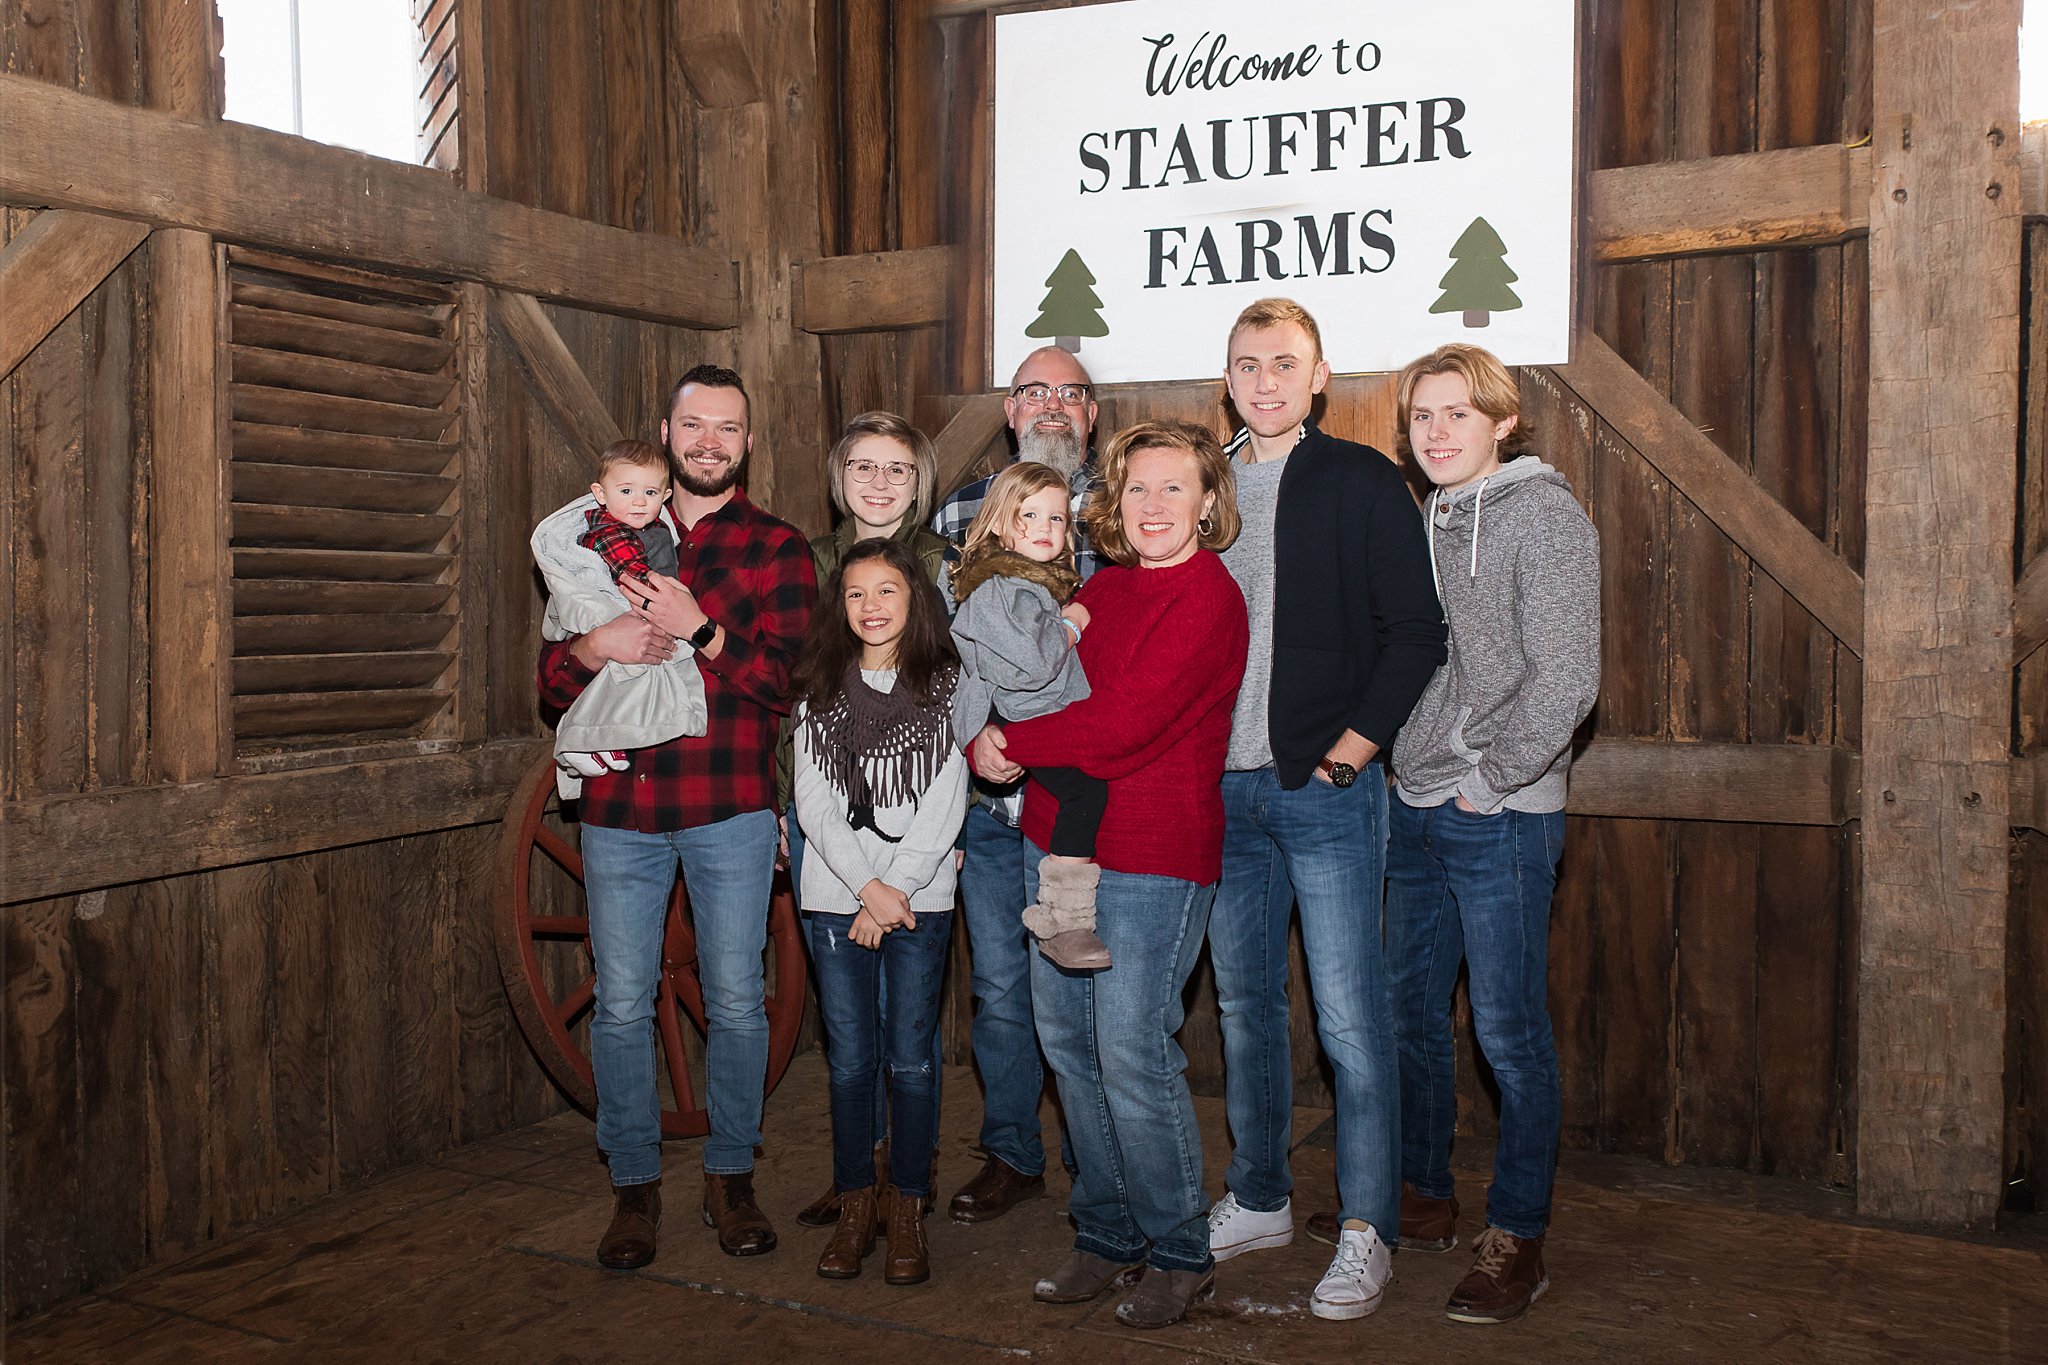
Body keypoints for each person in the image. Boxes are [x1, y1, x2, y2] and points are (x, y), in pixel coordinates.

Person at [537, 364, 816, 1269]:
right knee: (620, 1004)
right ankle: (633, 1187)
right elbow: (550, 684)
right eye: (693, 425)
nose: (707, 442)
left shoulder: (775, 548)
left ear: (745, 441)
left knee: (736, 999)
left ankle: (731, 1176)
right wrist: (592, 644)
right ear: (667, 432)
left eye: (725, 428)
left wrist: (704, 631)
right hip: (620, 808)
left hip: (727, 805)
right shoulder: (595, 538)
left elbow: (791, 685)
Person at [973, 421, 1248, 1330]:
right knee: (1068, 1045)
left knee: (1132, 1052)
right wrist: (984, 730)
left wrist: (1010, 742)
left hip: (1154, 855)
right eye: (1137, 489)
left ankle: (1179, 1251)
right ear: (1114, 502)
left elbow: (1124, 724)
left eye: (1175, 488)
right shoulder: (1101, 585)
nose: (1154, 505)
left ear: (1209, 502)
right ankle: (1106, 1230)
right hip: (1054, 841)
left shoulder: (1210, 598)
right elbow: (1029, 675)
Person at [1204, 299, 1447, 1321]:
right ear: (1227, 380)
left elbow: (1415, 632)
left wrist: (1351, 753)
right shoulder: (1197, 486)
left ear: (1317, 379)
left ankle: (1363, 1230)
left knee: (1351, 1022)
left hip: (1321, 788)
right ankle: (1259, 1195)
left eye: (1284, 364)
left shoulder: (1357, 480)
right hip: (1216, 792)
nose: (1264, 381)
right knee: (1241, 1008)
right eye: (1246, 364)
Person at [1383, 343, 1599, 1324]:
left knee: (1507, 1037)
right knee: (1409, 1019)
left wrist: (1489, 781)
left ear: (1501, 421)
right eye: (1421, 416)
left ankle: (1517, 1236)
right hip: (1416, 802)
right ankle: (1423, 1199)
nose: (1434, 432)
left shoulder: (1543, 516)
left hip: (1498, 816)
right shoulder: (1433, 512)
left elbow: (1564, 677)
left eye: (1455, 415)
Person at [931, 346, 1101, 1223]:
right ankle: (1011, 1150)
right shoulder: (964, 512)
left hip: (1081, 788)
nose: (1055, 406)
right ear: (1009, 408)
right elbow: (950, 655)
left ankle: (1096, 1159)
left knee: (1081, 980)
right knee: (999, 984)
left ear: (1092, 415)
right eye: (1037, 390)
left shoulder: (1123, 512)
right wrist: (974, 739)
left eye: (1073, 394)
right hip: (995, 806)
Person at [791, 539, 970, 1286]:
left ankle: (907, 1205)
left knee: (912, 1057)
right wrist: (869, 889)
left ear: (915, 600)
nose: (870, 606)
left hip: (919, 899)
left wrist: (893, 888)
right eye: (856, 593)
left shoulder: (948, 685)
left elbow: (946, 801)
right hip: (838, 899)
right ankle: (856, 1202)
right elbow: (814, 806)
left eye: (887, 591)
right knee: (852, 1059)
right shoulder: (817, 688)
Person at [949, 462, 1103, 970]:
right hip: (1022, 719)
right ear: (998, 524)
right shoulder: (1001, 586)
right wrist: (1071, 626)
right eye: (1029, 515)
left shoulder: (1033, 581)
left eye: (1057, 519)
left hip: (1030, 717)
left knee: (1083, 793)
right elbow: (1033, 663)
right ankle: (1065, 917)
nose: (1044, 528)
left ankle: (1065, 914)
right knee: (1085, 792)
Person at [530, 439, 706, 787]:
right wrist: (664, 602)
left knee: (632, 673)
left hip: (634, 613)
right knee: (629, 668)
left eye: (651, 493)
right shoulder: (611, 529)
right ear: (600, 493)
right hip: (610, 606)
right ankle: (580, 739)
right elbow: (631, 574)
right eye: (626, 490)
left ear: (665, 496)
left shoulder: (652, 530)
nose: (639, 501)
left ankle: (604, 736)